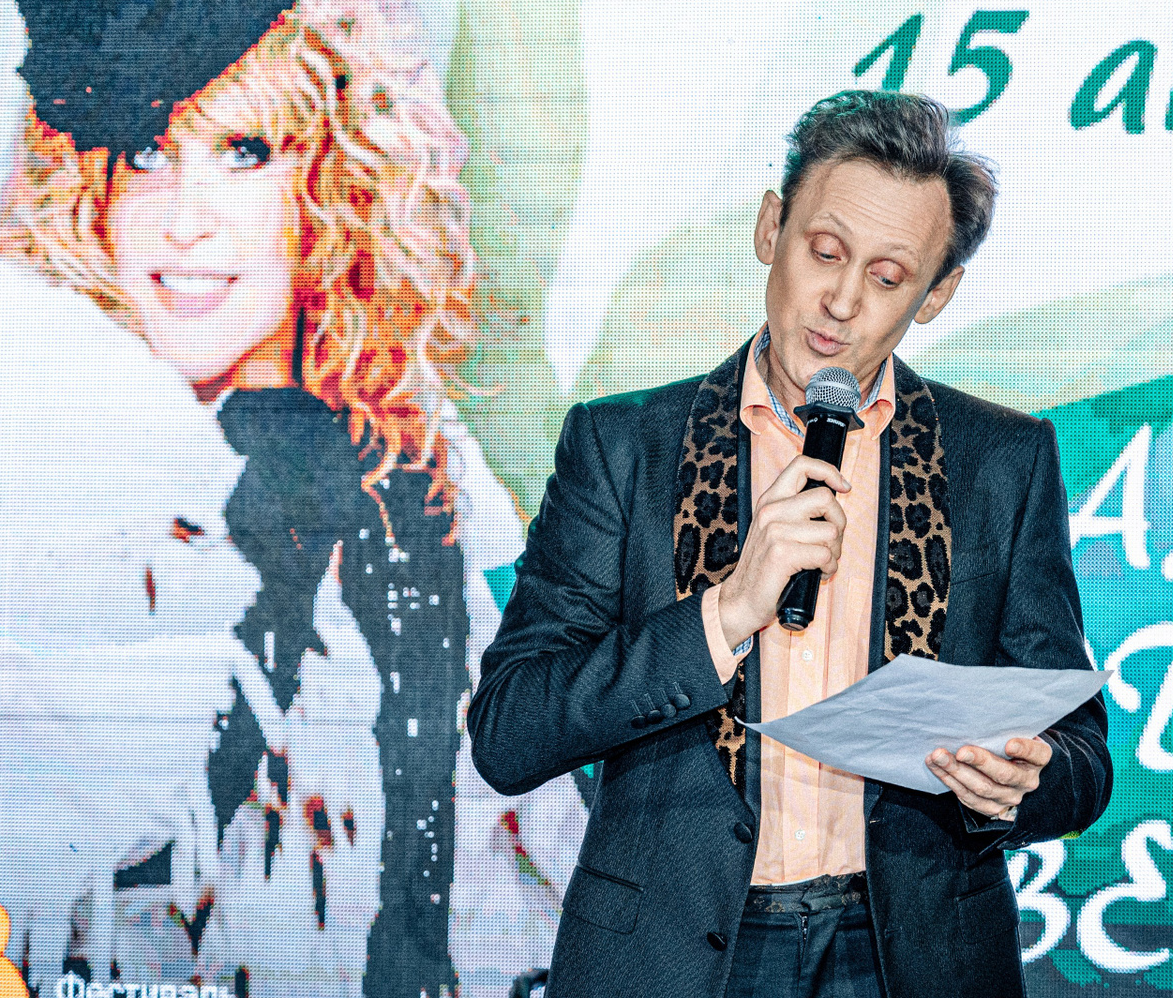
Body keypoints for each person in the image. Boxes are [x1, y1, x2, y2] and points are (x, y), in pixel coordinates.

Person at [0, 0, 572, 998]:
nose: (186, 221)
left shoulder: (421, 449)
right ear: (89, 178)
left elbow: (531, 857)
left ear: (332, 174)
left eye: (245, 151)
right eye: (149, 153)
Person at [468, 90, 1114, 998]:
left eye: (888, 277)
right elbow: (509, 731)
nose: (841, 302)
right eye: (826, 252)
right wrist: (727, 611)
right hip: (677, 953)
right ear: (771, 227)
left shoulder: (1000, 462)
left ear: (937, 294)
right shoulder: (625, 449)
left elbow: (1081, 752)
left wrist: (1026, 783)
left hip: (908, 953)